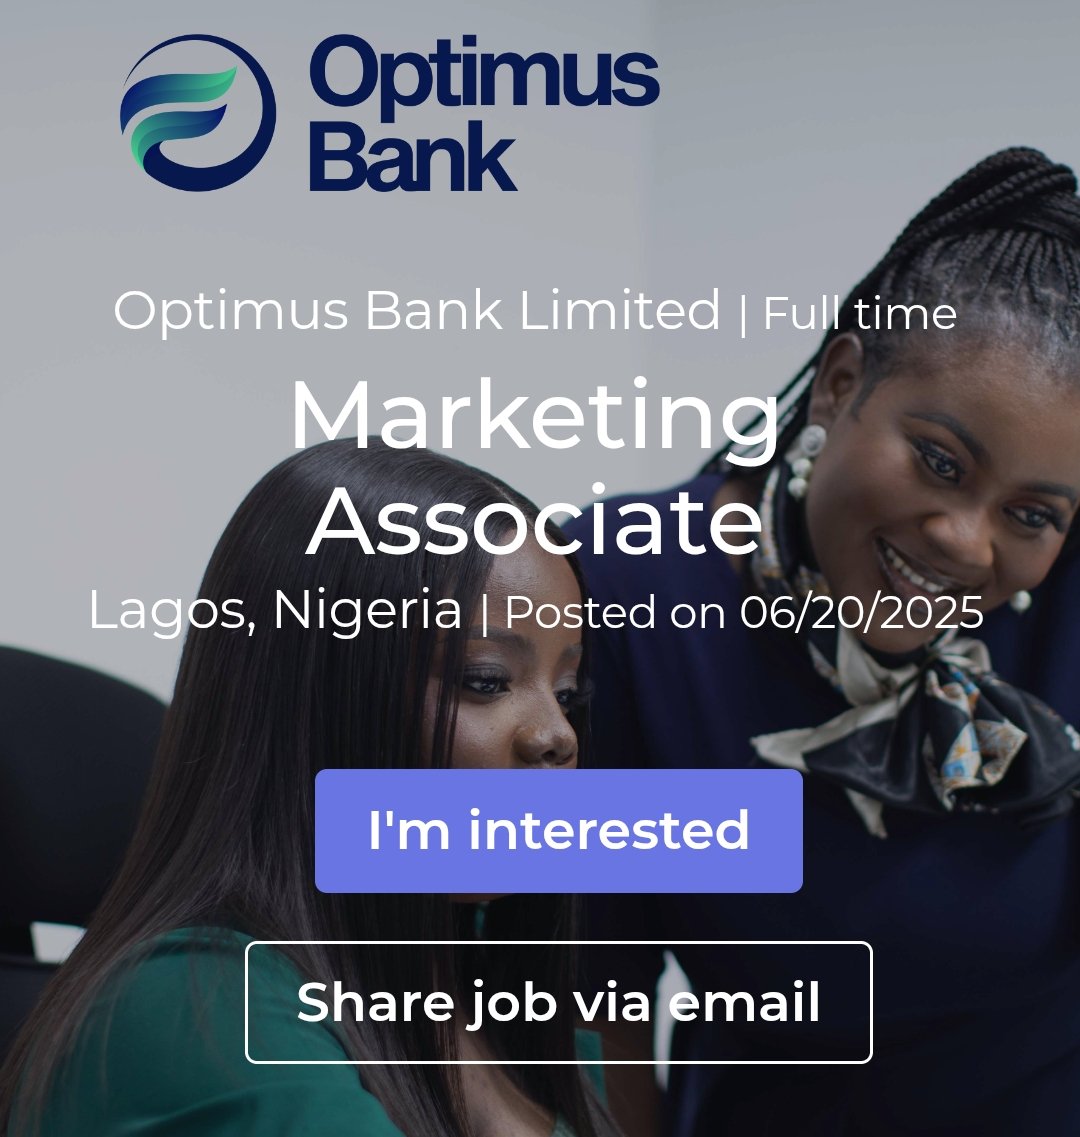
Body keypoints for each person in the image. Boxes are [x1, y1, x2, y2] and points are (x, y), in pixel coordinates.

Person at [568, 148, 1080, 1136]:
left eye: (1031, 514)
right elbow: (598, 1007)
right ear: (841, 384)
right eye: (940, 461)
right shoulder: (622, 594)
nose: (966, 540)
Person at [0, 441, 619, 1137]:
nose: (557, 734)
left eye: (568, 692)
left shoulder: (492, 992)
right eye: (486, 679)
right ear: (316, 702)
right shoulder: (198, 1010)